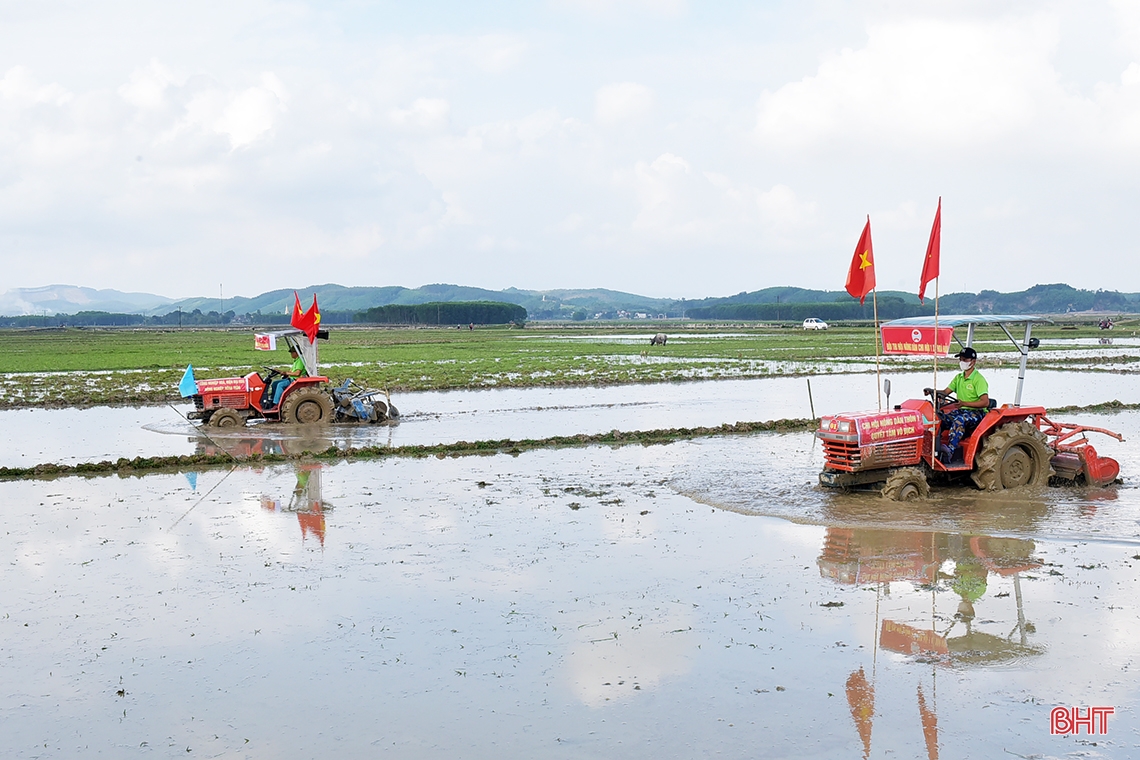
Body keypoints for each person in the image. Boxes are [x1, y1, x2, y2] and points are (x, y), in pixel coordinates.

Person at [929, 346, 990, 462]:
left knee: (959, 420)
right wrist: (932, 391)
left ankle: (950, 452)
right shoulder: (959, 378)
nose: (962, 362)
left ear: (973, 362)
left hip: (977, 412)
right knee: (940, 418)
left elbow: (985, 402)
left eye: (965, 360)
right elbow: (945, 392)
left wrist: (964, 403)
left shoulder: (978, 379)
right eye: (961, 359)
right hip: (962, 409)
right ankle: (936, 447)